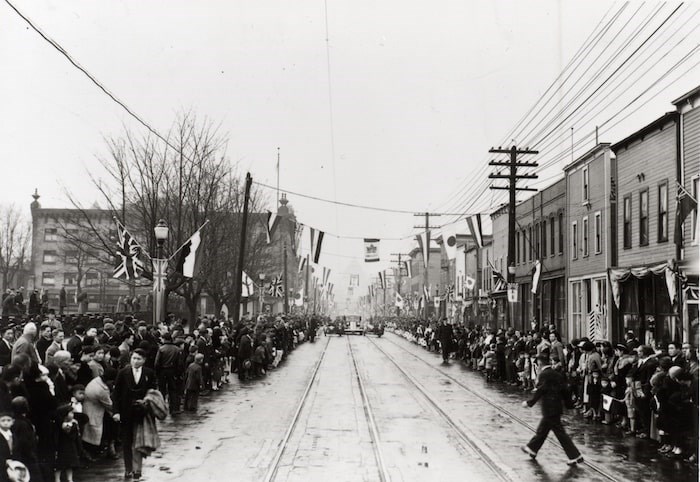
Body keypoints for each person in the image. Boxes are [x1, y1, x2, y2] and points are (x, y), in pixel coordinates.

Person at [521, 354, 583, 466]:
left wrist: (530, 403)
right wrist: (569, 404)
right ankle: (532, 448)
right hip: (555, 407)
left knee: (559, 433)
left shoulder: (544, 374)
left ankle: (575, 456)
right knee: (543, 430)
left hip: (549, 408)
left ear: (539, 363)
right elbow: (565, 390)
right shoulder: (557, 374)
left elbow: (541, 390)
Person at [112, 349, 156, 480]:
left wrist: (147, 401)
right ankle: (128, 469)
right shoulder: (123, 373)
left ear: (144, 360)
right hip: (125, 413)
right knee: (127, 442)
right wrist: (116, 412)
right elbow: (116, 394)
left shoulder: (149, 373)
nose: (135, 361)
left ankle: (138, 469)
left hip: (141, 413)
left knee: (139, 442)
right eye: (133, 358)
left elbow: (153, 391)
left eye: (138, 359)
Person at [54, 404, 80, 482]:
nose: (73, 414)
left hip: (70, 447)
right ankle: (57, 479)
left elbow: (74, 437)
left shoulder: (74, 424)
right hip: (61, 447)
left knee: (70, 465)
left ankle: (70, 479)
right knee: (59, 465)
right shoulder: (58, 425)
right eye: (71, 413)